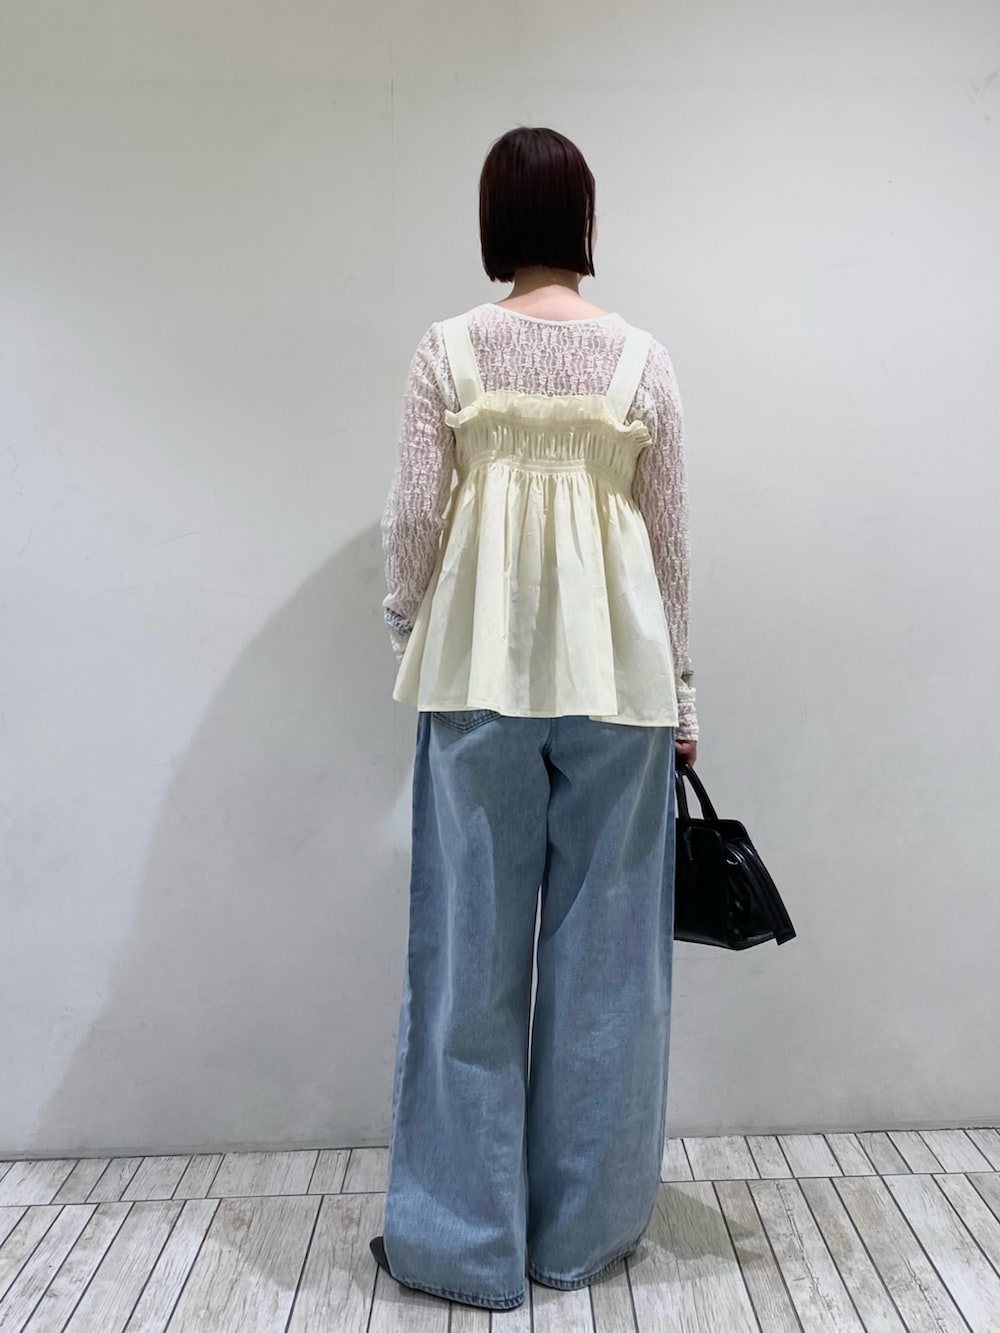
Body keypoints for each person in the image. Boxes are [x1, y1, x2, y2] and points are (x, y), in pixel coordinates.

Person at [372, 125, 699, 1312]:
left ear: (494, 222)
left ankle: (461, 1246)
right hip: (619, 687)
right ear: (583, 220)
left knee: (466, 960)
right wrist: (682, 696)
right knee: (609, 970)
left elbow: (415, 522)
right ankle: (580, 1238)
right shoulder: (641, 362)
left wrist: (410, 627)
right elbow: (667, 543)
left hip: (478, 679)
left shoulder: (448, 350)